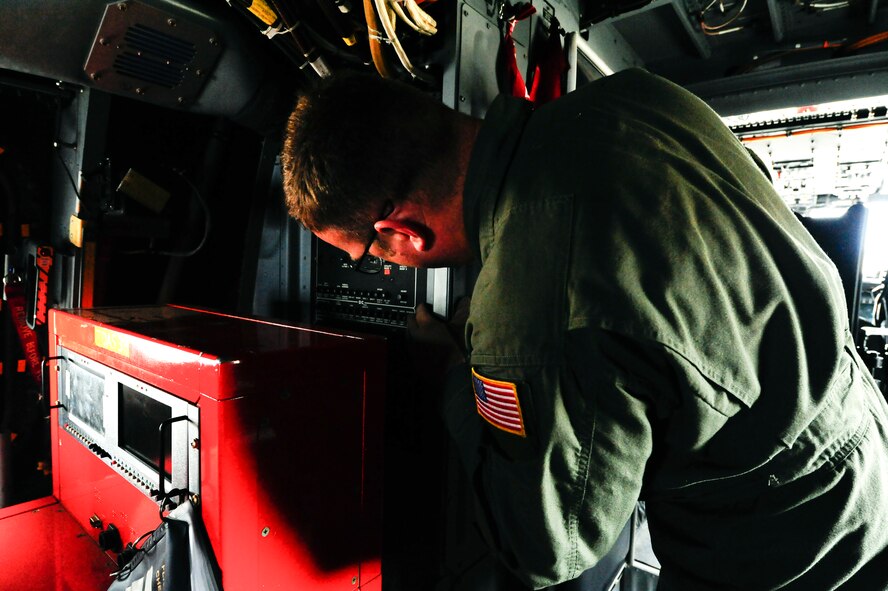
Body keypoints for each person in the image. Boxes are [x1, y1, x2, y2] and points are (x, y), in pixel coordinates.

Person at [280, 68, 888, 590]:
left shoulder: (527, 309)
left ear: (403, 231)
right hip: (867, 462)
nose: (380, 265)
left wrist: (453, 379)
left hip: (789, 555)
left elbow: (548, 545)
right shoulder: (632, 96)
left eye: (365, 253)